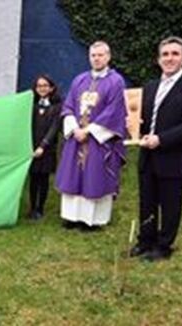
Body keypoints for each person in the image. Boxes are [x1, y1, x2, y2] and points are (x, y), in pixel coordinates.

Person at [130, 36, 182, 261]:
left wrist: (162, 139)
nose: (169, 58)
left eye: (175, 54)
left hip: (173, 156)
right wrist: (133, 126)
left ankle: (164, 246)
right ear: (158, 59)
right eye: (165, 54)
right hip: (147, 155)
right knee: (147, 201)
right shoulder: (150, 86)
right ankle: (145, 241)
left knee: (170, 204)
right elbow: (143, 118)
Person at [55, 41, 127, 231]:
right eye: (93, 55)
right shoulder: (79, 80)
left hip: (98, 139)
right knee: (73, 175)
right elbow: (68, 105)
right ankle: (71, 217)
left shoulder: (116, 81)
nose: (96, 58)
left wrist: (88, 131)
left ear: (108, 57)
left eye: (100, 55)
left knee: (95, 176)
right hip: (76, 137)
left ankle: (92, 220)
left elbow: (114, 111)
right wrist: (74, 129)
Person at [28, 74, 62, 220]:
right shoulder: (31, 105)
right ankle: (32, 208)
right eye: (39, 86)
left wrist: (43, 145)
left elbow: (54, 128)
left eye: (45, 86)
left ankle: (40, 208)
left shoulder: (57, 107)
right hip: (32, 147)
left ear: (51, 88)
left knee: (43, 179)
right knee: (33, 179)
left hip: (47, 149)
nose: (42, 88)